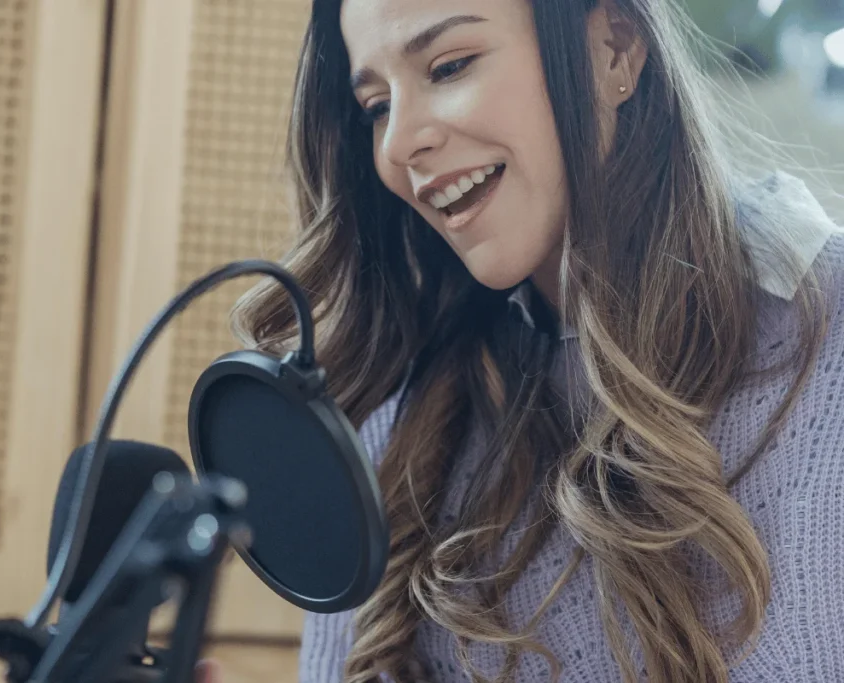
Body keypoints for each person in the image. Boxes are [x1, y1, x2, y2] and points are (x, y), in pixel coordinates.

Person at [230, 0, 844, 681]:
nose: (398, 142)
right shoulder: (390, 425)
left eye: (449, 65)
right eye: (376, 105)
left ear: (614, 46)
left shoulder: (829, 337)